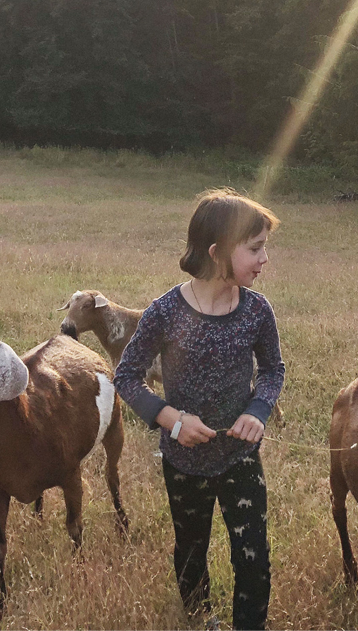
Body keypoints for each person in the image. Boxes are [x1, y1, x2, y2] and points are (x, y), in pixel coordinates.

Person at [114, 188, 284, 630]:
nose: (265, 258)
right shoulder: (165, 312)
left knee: (254, 559)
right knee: (191, 553)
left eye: (265, 246)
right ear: (217, 252)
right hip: (184, 464)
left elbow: (272, 370)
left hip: (240, 460)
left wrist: (258, 411)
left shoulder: (256, 311)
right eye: (256, 248)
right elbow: (127, 376)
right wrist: (172, 421)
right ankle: (200, 619)